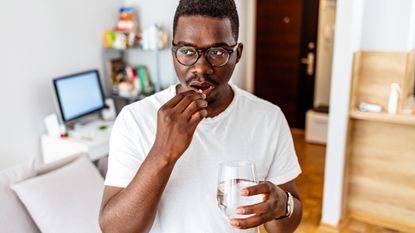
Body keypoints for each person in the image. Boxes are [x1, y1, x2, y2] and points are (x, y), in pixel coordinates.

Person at [99, 0, 303, 232]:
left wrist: (282, 205)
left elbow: (283, 227)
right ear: (173, 52)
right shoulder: (134, 119)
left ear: (237, 54)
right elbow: (115, 230)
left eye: (217, 52)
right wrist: (162, 153)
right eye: (187, 51)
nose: (201, 68)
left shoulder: (268, 118)